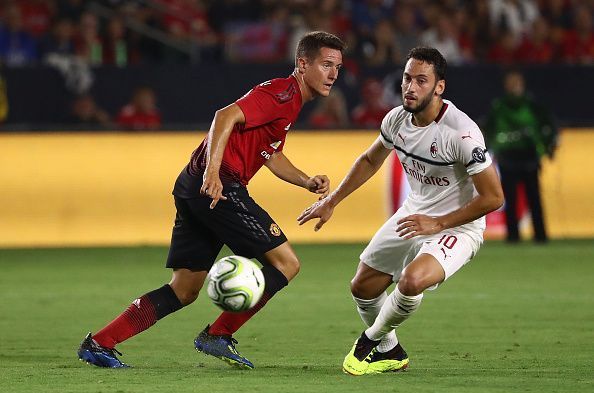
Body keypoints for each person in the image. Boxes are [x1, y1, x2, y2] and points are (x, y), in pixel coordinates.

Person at [77, 31, 345, 369]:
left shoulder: (288, 103)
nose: (333, 74)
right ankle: (217, 335)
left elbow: (270, 154)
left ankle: (99, 342)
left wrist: (306, 180)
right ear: (303, 64)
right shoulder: (281, 93)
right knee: (286, 264)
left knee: (184, 289)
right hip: (220, 187)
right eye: (326, 65)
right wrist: (213, 173)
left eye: (337, 67)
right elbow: (224, 116)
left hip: (193, 187)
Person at [298, 47, 504, 375]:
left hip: (456, 225)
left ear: (439, 87)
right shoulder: (395, 120)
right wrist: (331, 201)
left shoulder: (461, 133)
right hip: (414, 215)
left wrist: (438, 223)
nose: (410, 87)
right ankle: (390, 351)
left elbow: (493, 198)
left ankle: (371, 339)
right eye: (408, 78)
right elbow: (370, 160)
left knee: (411, 281)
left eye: (421, 81)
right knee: (362, 287)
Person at [484, 69, 557, 243]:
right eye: (511, 82)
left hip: (529, 156)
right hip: (508, 157)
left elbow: (547, 127)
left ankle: (540, 235)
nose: (514, 86)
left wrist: (548, 147)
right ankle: (513, 236)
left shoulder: (532, 105)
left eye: (516, 82)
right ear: (506, 85)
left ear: (522, 83)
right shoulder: (499, 106)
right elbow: (489, 130)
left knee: (535, 197)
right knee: (510, 197)